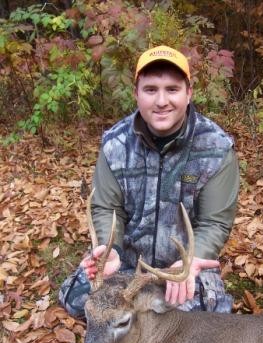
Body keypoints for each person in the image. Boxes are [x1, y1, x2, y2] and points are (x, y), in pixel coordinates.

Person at [59, 45, 239, 319]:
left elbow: (214, 222)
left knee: (205, 317)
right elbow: (107, 208)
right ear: (136, 94)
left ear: (189, 93)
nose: (161, 101)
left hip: (181, 269)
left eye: (172, 89)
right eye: (151, 89)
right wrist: (111, 252)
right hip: (127, 265)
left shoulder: (216, 148)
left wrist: (190, 263)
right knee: (75, 299)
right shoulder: (115, 144)